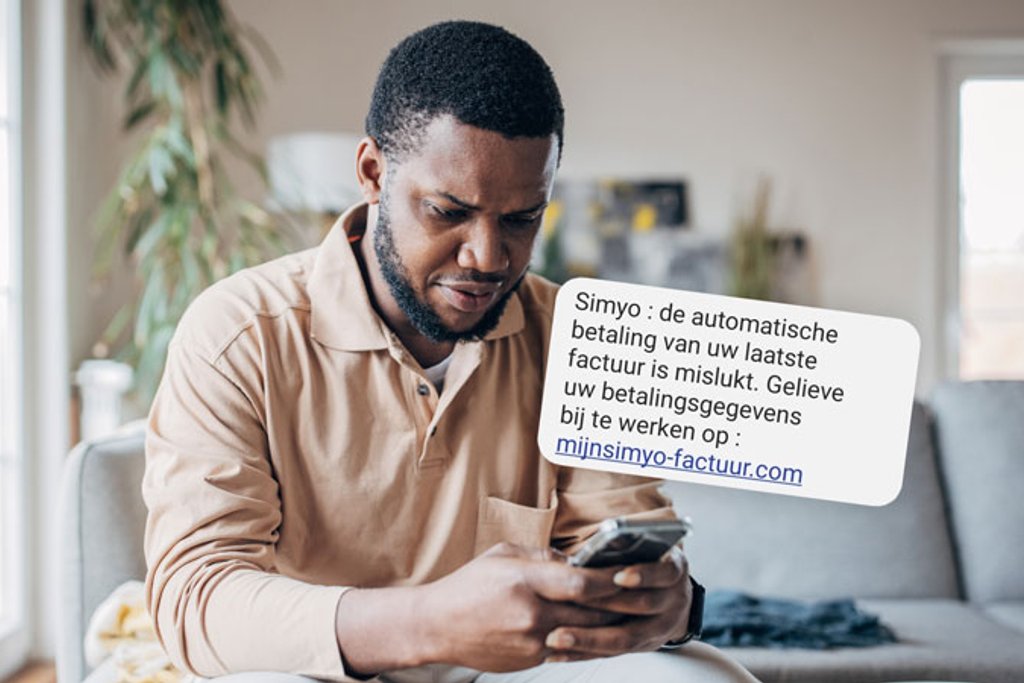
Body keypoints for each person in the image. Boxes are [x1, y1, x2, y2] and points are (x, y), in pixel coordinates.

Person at [143, 20, 758, 683]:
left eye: (521, 219)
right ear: (373, 172)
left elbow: (626, 544)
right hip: (314, 671)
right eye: (448, 211)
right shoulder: (239, 334)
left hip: (512, 675)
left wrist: (668, 606)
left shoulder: (575, 336)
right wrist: (431, 622)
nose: (488, 258)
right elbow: (196, 600)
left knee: (705, 677)